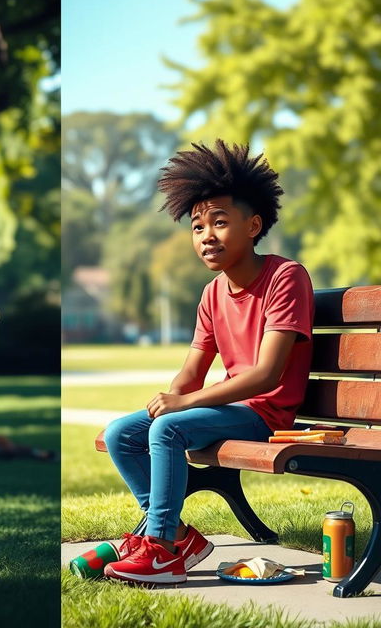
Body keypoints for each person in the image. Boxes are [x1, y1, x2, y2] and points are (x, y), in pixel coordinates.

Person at [102, 139, 314, 584]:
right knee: (122, 432)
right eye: (198, 227)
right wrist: (169, 397)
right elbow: (192, 370)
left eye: (220, 222)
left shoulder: (285, 277)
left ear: (253, 225)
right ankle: (179, 534)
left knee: (170, 427)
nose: (207, 236)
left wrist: (181, 407)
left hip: (268, 414)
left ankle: (160, 548)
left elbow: (265, 375)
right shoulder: (214, 293)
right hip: (235, 410)